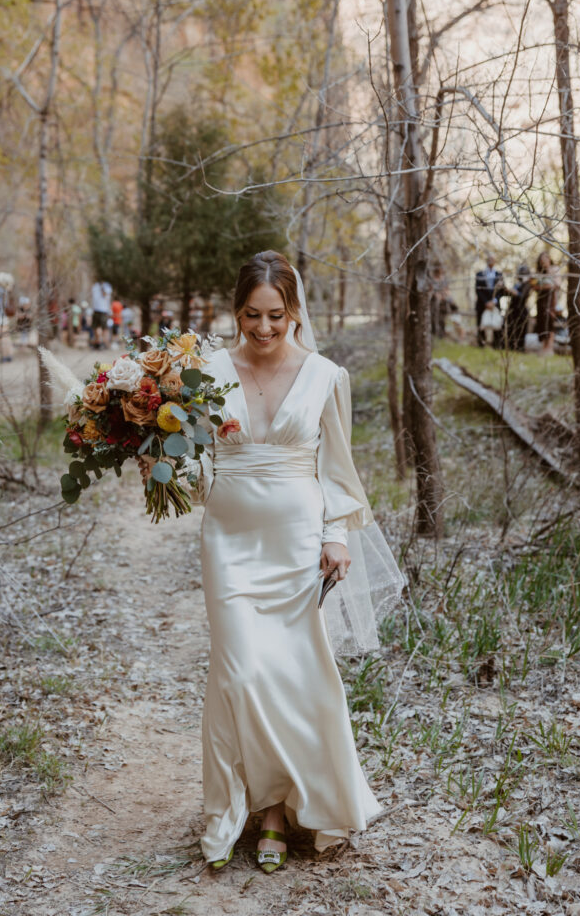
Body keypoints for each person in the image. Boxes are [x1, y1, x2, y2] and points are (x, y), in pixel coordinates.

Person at [180, 250, 405, 874]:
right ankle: (236, 807)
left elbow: (336, 468)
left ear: (294, 311)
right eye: (251, 315)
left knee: (294, 674)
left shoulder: (324, 375)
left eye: (275, 315)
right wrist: (163, 463)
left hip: (298, 542)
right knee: (241, 674)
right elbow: (199, 473)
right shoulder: (206, 373)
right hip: (228, 542)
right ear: (236, 312)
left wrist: (336, 534)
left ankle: (277, 811)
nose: (263, 328)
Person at [475, 254, 506, 346]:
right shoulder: (480, 274)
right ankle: (481, 344)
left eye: (493, 259)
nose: (491, 261)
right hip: (482, 303)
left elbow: (501, 291)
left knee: (497, 324)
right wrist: (486, 302)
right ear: (486, 260)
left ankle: (497, 345)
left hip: (495, 303)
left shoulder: (499, 274)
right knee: (481, 324)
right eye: (489, 259)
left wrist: (494, 301)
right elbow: (478, 289)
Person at [534, 251, 559, 353]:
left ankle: (550, 347)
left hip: (551, 299)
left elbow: (556, 285)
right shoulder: (539, 272)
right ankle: (543, 346)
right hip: (541, 300)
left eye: (545, 260)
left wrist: (544, 286)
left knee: (550, 321)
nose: (543, 262)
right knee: (541, 321)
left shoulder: (555, 269)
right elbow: (534, 286)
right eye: (541, 261)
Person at [505, 264, 531, 351]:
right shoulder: (517, 284)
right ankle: (510, 347)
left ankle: (520, 348)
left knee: (521, 330)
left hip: (521, 310)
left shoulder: (527, 285)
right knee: (511, 329)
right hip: (512, 310)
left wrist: (514, 292)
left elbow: (522, 296)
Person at [90, 280, 112, 348]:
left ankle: (105, 343)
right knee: (95, 327)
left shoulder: (107, 285)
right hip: (95, 309)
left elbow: (105, 294)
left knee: (105, 328)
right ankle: (97, 342)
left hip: (104, 310)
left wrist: (102, 287)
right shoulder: (95, 286)